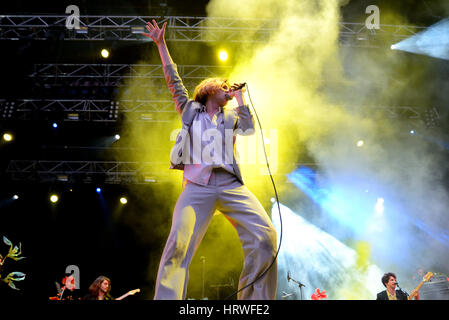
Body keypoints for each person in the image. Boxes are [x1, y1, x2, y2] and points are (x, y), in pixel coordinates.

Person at [142, 20, 278, 300]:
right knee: (178, 244)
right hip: (197, 186)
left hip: (230, 185)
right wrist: (161, 44)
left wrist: (240, 99)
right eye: (223, 85)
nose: (227, 87)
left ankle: (254, 302)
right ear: (207, 90)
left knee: (266, 238)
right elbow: (173, 80)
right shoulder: (190, 110)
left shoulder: (230, 116)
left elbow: (250, 129)